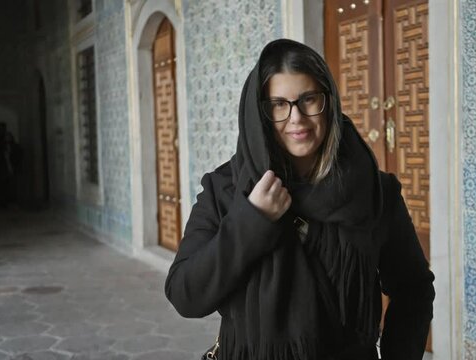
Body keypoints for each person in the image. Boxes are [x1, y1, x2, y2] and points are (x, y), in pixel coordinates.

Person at [165, 39, 434, 360]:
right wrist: (251, 221)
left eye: (308, 99)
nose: (296, 118)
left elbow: (413, 289)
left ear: (329, 102)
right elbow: (186, 295)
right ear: (259, 113)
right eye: (278, 104)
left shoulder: (373, 191)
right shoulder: (226, 188)